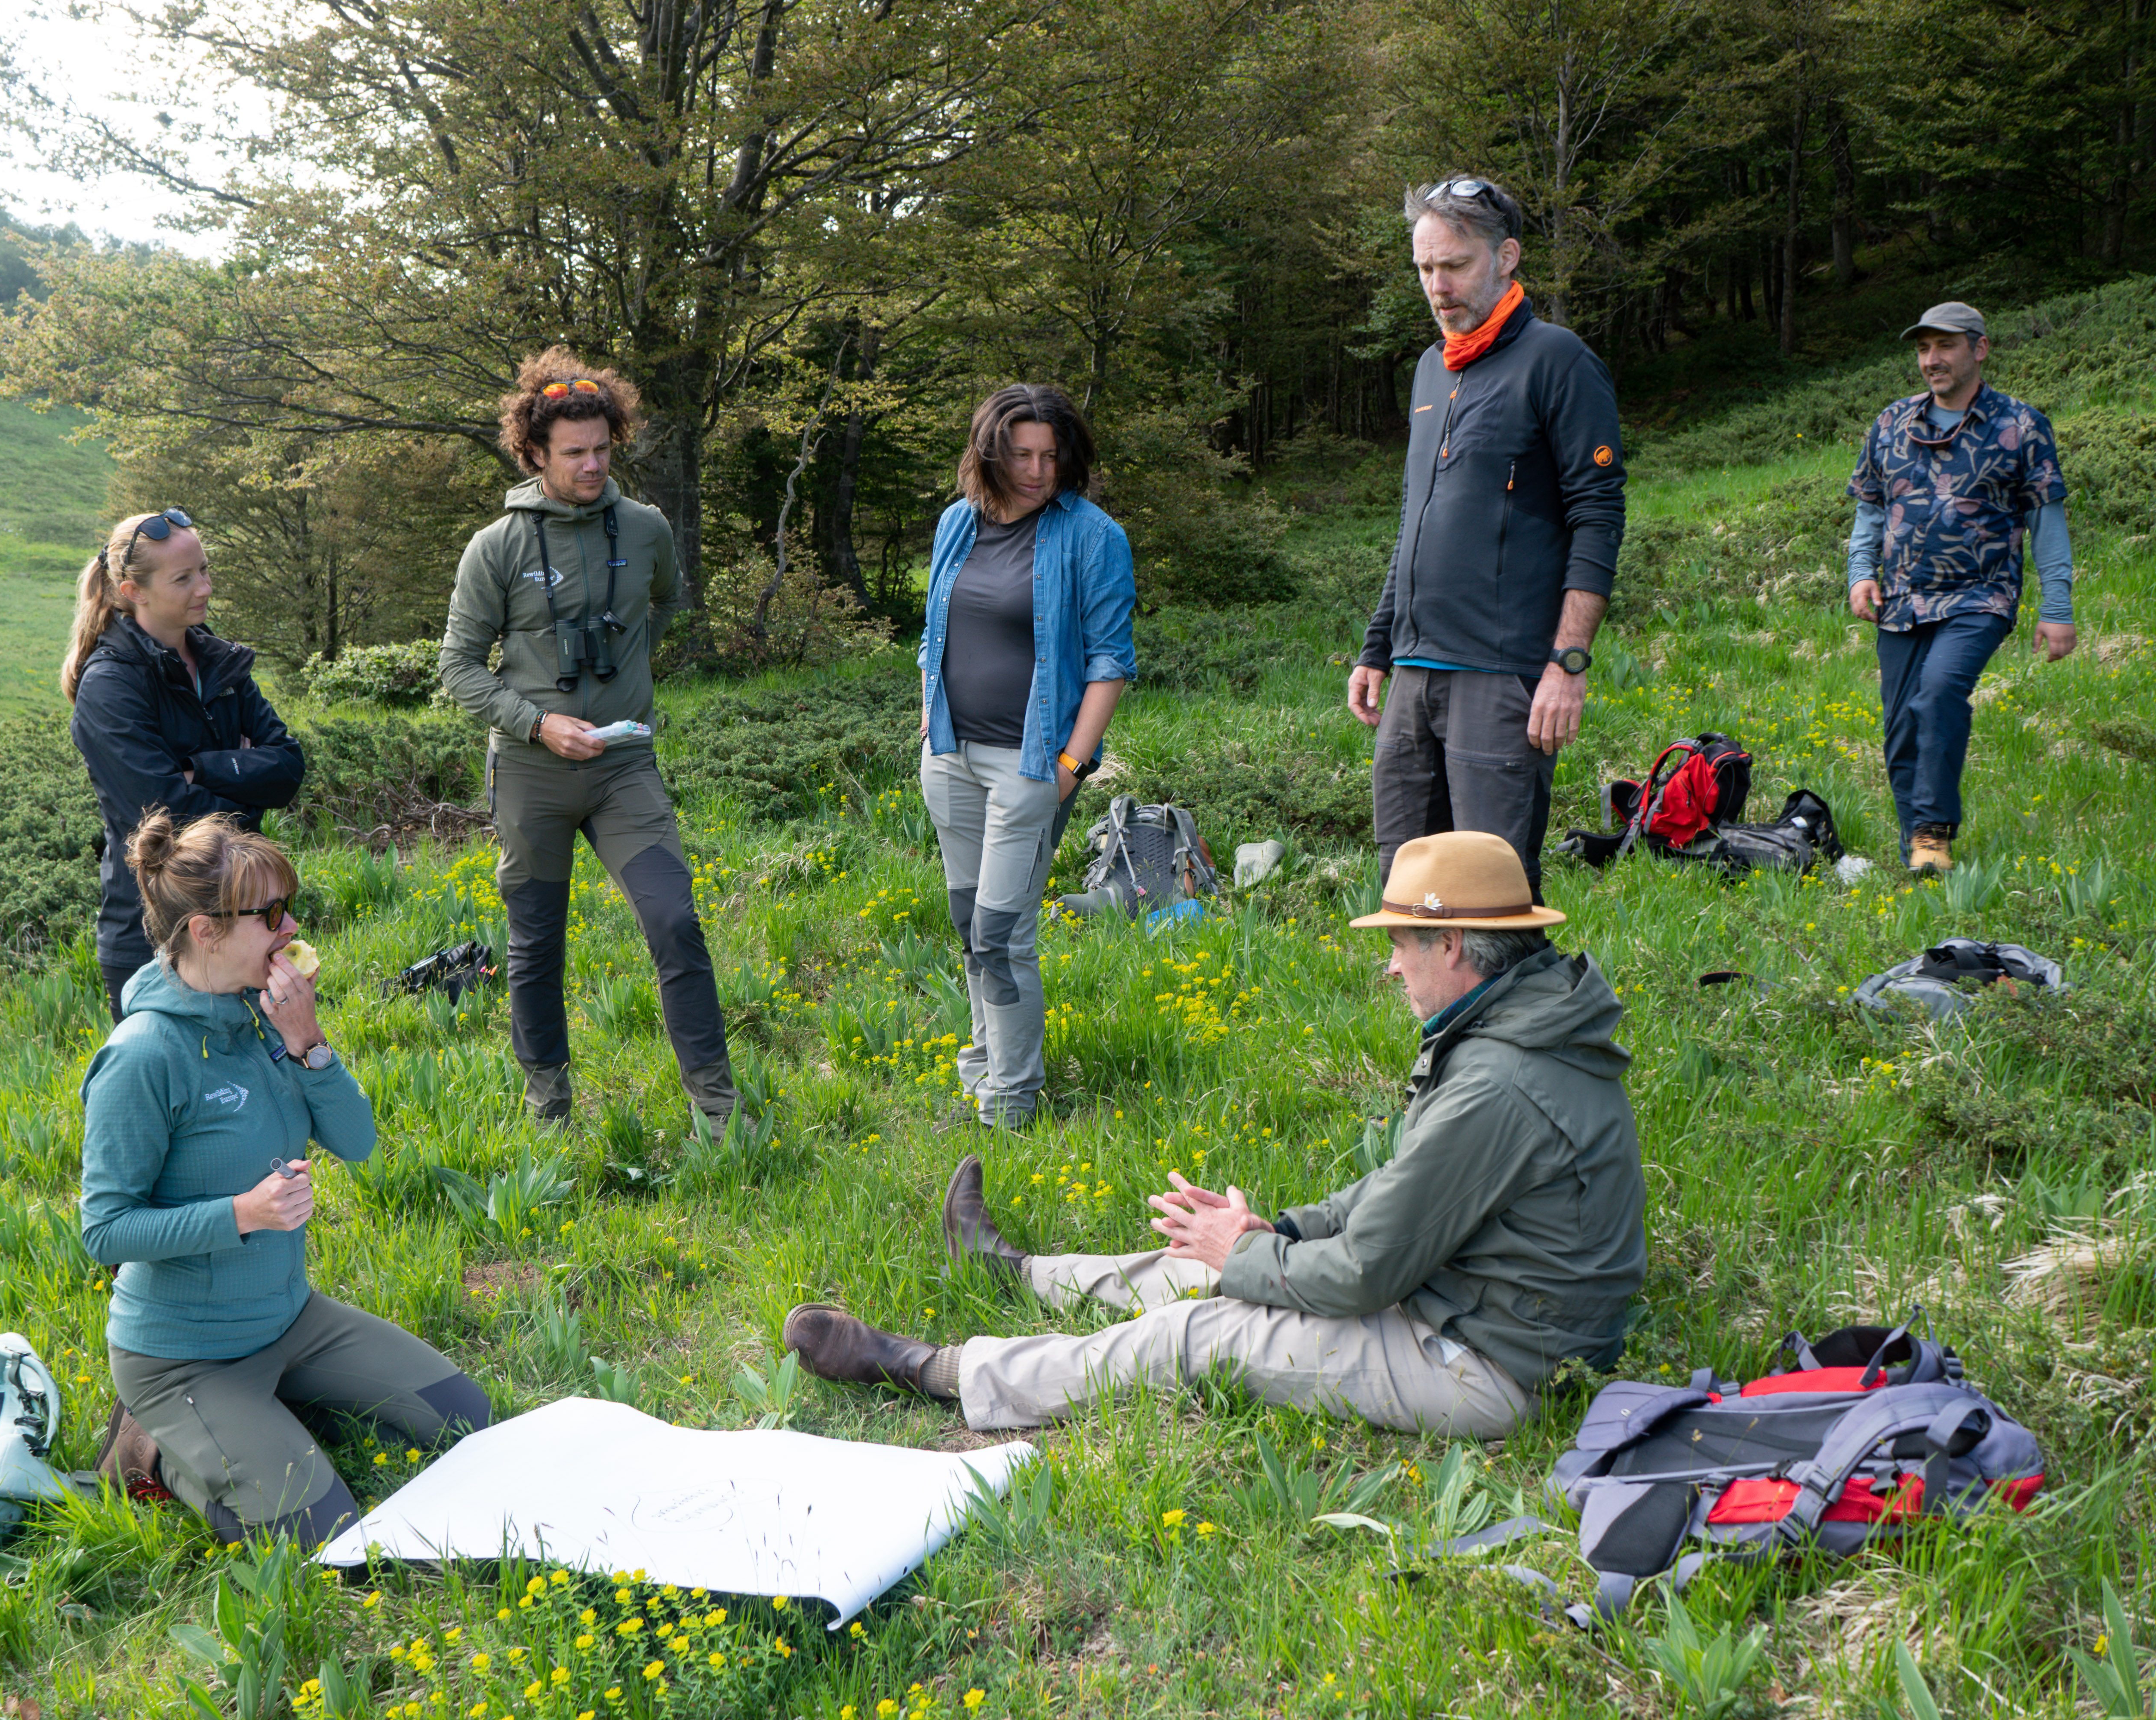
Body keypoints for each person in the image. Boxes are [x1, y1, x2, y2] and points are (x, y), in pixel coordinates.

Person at [782, 830, 1644, 1439]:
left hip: (1491, 1363)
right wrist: (1280, 1233)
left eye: (1401, 945)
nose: (1390, 965)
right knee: (1216, 1260)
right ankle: (1014, 1272)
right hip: (1469, 1303)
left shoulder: (1499, 1081)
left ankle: (937, 1368)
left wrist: (1249, 1258)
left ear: (1453, 943)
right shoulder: (1520, 1025)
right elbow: (1402, 1188)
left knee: (1196, 1331)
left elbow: (1364, 1273)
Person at [82, 811, 490, 1546]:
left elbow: (359, 1144)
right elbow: (104, 1230)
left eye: (287, 906)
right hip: (182, 1358)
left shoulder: (266, 1013)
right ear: (205, 932)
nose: (290, 924)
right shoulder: (143, 1057)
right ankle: (156, 1446)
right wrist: (240, 1212)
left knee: (468, 1419)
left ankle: (267, 1410)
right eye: (269, 913)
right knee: (325, 1532)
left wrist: (309, 1044)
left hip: (290, 1320)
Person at [438, 350, 738, 1130]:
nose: (593, 465)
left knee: (674, 919)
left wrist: (624, 674)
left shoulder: (645, 529)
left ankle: (719, 1108)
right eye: (574, 453)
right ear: (534, 453)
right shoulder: (495, 548)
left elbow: (666, 605)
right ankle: (549, 1107)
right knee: (535, 941)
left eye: (603, 448)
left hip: (624, 766)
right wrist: (539, 722)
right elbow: (459, 669)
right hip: (534, 774)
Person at [1346, 177, 1627, 903]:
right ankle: (1421, 1015)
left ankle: (1512, 1014)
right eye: (1424, 269)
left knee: (1491, 889)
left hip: (1502, 676)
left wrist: (1568, 663)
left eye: (1455, 266)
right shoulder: (1430, 369)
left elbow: (1598, 516)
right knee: (1406, 882)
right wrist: (1379, 645)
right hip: (1413, 671)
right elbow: (1416, 515)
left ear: (1506, 257)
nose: (1438, 286)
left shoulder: (1558, 361)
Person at [918, 384, 1137, 1130]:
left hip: (1035, 765)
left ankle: (1010, 1103)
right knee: (967, 922)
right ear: (990, 452)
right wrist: (927, 728)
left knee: (1003, 932)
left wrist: (1072, 767)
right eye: (1021, 455)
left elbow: (1111, 662)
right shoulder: (957, 524)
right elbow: (931, 639)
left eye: (1051, 456)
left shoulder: (1092, 535)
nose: (1039, 470)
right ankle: (980, 1072)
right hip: (951, 757)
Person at [1846, 301, 2077, 874]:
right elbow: (1869, 511)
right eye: (1924, 348)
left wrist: (2058, 607)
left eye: (1945, 346)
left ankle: (1933, 830)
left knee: (1940, 692)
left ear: (1980, 348)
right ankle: (1919, 860)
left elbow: (2046, 523)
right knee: (1901, 730)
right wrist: (1860, 573)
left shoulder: (2020, 426)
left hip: (1981, 596)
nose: (1932, 360)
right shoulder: (1892, 423)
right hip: (1901, 599)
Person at [67, 509, 305, 1022]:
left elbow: (287, 768)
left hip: (247, 924)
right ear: (134, 591)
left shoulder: (220, 662)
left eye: (204, 569)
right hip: (157, 936)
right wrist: (245, 774)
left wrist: (199, 768)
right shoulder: (110, 688)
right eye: (184, 578)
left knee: (262, 1091)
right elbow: (165, 817)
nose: (205, 587)